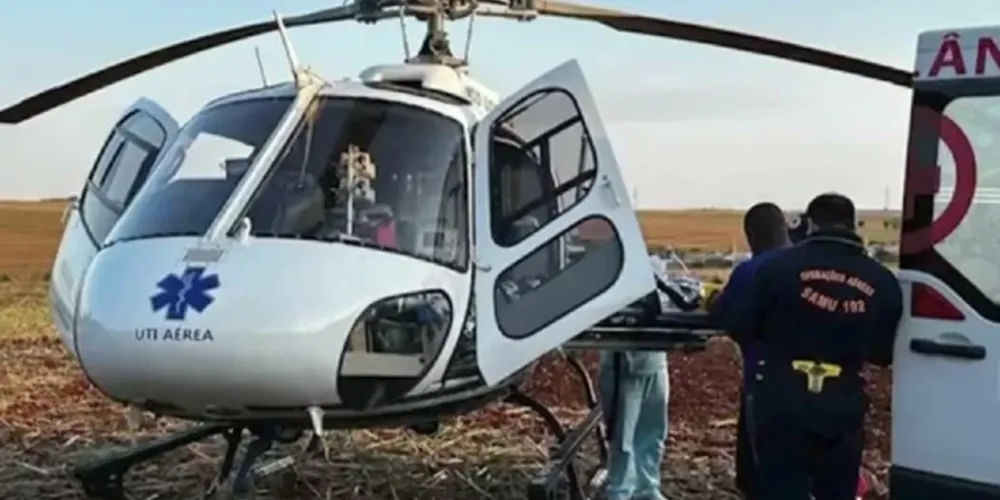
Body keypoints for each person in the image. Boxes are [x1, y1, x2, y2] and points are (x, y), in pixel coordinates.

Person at [718, 193, 902, 500]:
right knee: (836, 489)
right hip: (842, 401)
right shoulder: (881, 280)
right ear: (852, 224)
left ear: (810, 223)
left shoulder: (776, 269)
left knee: (779, 487)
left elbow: (740, 324)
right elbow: (883, 352)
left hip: (780, 397)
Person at [709, 202, 790, 499]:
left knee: (761, 473)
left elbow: (725, 316)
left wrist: (714, 301)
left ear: (752, 236)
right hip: (824, 388)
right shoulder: (811, 267)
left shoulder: (752, 271)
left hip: (766, 382)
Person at [597, 256, 672, 500]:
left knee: (653, 433)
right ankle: (620, 491)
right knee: (623, 441)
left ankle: (647, 488)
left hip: (653, 364)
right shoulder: (611, 276)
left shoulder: (653, 273)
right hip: (623, 367)